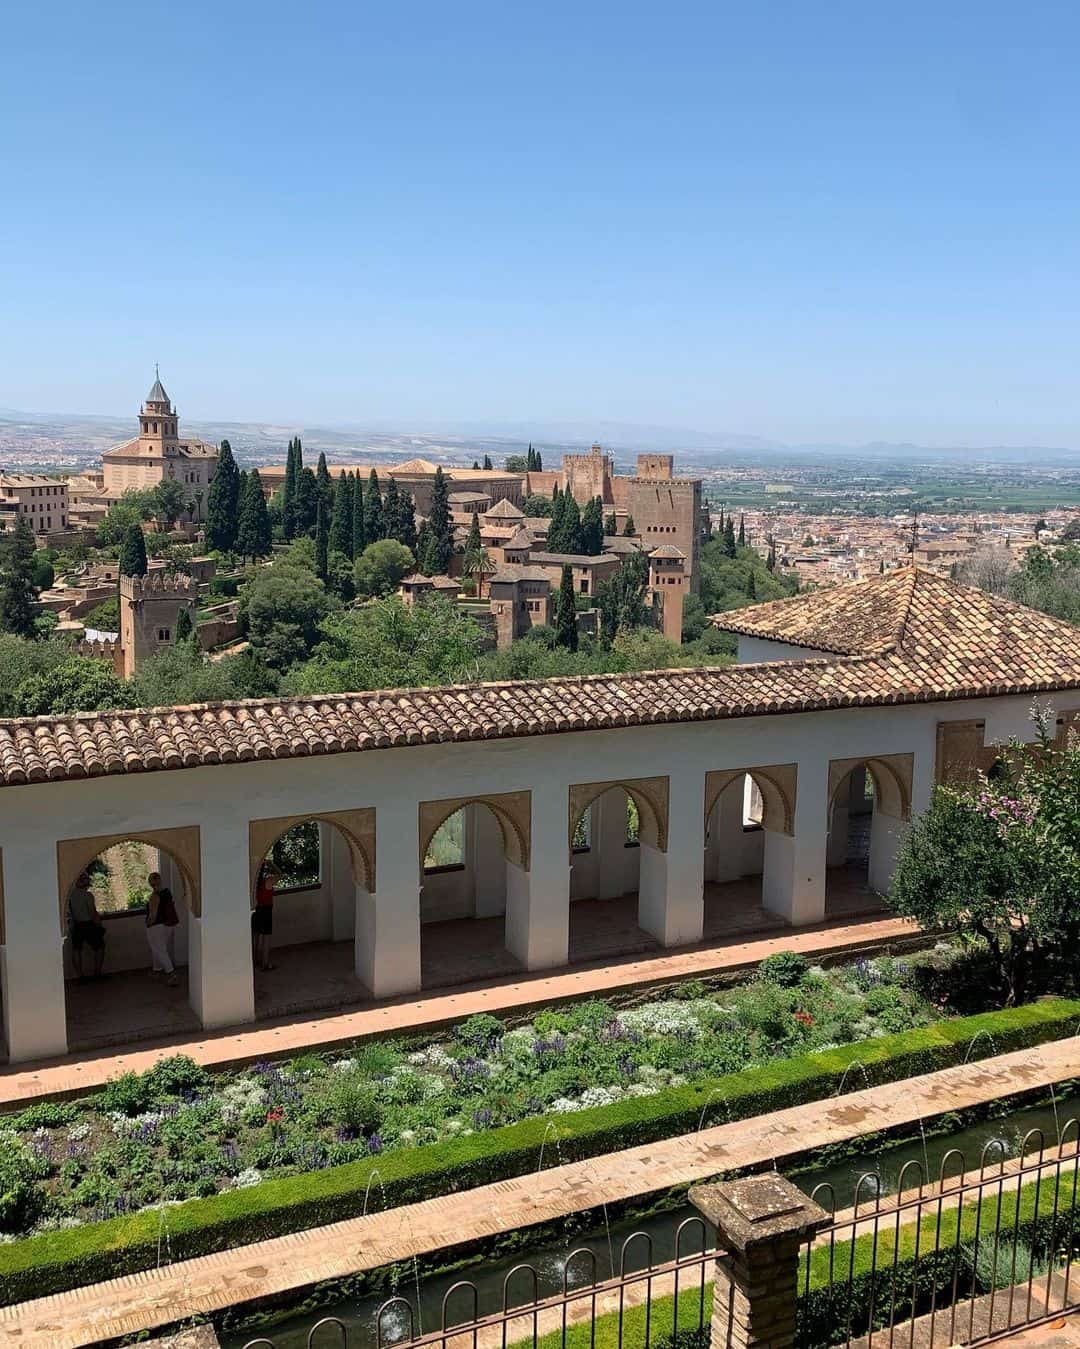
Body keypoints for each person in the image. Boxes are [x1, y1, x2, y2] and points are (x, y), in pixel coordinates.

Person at [67, 871, 106, 982]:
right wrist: (99, 925)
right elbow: (92, 913)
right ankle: (97, 974)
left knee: (76, 949)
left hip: (76, 925)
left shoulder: (70, 895)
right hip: (88, 924)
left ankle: (80, 976)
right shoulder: (88, 895)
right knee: (100, 947)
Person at [146, 872, 180, 986]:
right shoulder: (167, 892)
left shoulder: (154, 896)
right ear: (160, 880)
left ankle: (172, 974)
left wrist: (148, 924)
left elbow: (153, 915)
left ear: (150, 883)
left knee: (159, 950)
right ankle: (156, 971)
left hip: (156, 927)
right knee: (158, 949)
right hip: (168, 925)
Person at [252, 862, 278, 971]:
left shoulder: (253, 883)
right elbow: (281, 875)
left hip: (256, 910)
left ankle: (254, 960)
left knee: (255, 936)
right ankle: (265, 963)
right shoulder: (268, 881)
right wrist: (271, 864)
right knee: (266, 937)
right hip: (266, 910)